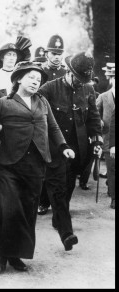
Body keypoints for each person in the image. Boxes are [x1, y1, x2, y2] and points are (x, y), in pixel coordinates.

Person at [0, 61, 77, 274]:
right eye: (31, 77)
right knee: (8, 211)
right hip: (8, 165)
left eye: (38, 79)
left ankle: (16, 255)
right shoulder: (2, 103)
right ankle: (2, 255)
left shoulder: (42, 102)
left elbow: (52, 126)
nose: (36, 82)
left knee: (27, 211)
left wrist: (63, 146)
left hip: (35, 164)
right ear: (18, 79)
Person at [38, 51, 103, 230]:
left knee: (68, 183)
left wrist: (97, 142)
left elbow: (93, 118)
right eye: (77, 79)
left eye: (83, 80)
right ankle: (52, 211)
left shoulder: (88, 89)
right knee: (56, 183)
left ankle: (59, 215)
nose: (80, 83)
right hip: (55, 147)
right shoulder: (48, 89)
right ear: (68, 72)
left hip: (77, 148)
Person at [0, 37, 32, 199]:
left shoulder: (23, 79)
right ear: (1, 58)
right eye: (8, 55)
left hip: (18, 133)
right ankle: (0, 202)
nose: (12, 58)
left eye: (14, 55)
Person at [38, 34, 67, 215]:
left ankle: (57, 204)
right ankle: (42, 201)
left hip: (62, 126)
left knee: (60, 168)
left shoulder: (66, 73)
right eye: (53, 53)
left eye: (59, 53)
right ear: (47, 53)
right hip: (43, 125)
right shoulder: (39, 72)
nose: (57, 56)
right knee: (44, 166)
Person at [96, 63, 115, 208]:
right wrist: (100, 122)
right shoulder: (103, 97)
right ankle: (113, 193)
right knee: (111, 167)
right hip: (108, 138)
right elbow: (94, 115)